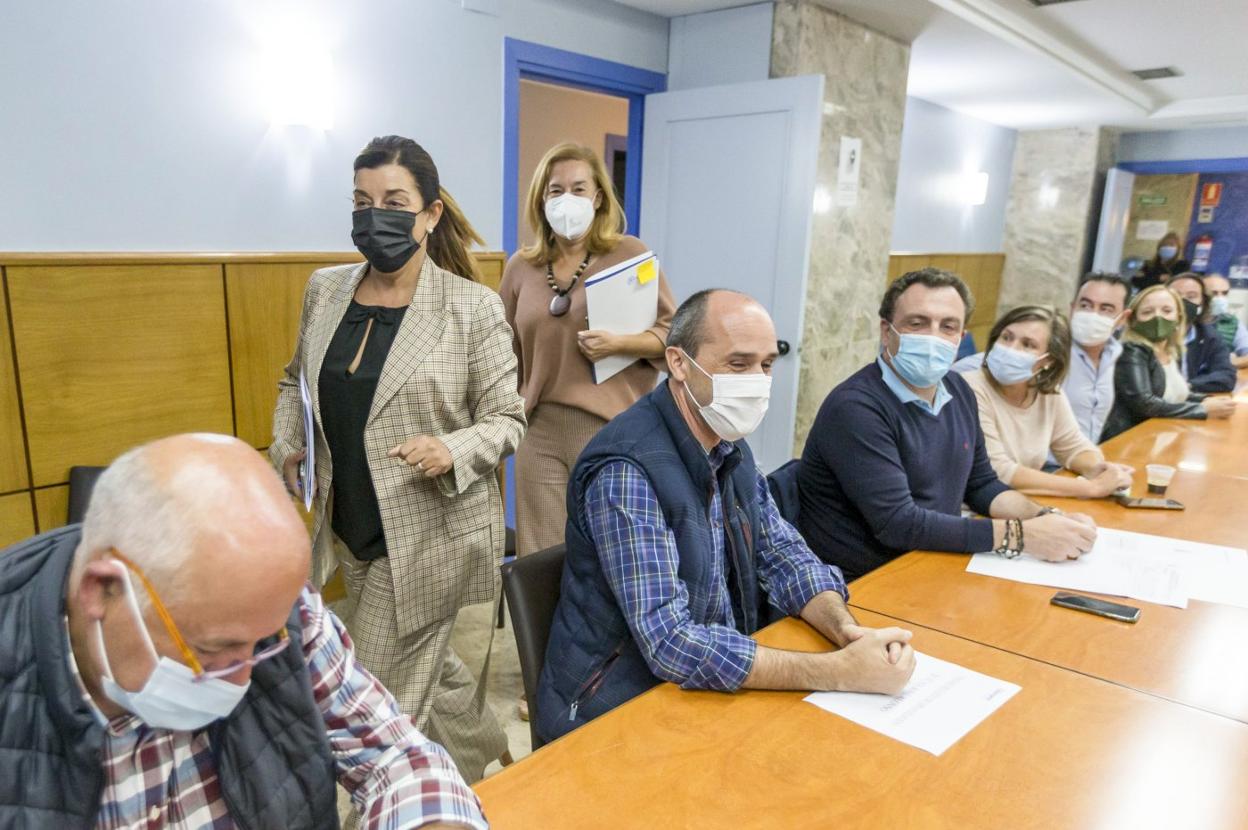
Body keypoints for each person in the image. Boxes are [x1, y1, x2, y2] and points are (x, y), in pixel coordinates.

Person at [0, 434, 484, 830]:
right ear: (101, 590)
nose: (242, 680)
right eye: (214, 648)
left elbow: (394, 756)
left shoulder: (272, 612)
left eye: (264, 645)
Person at [536, 290, 917, 743]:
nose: (756, 380)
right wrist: (835, 672)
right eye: (738, 365)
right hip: (616, 707)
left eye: (766, 365)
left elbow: (784, 555)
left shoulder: (725, 442)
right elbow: (670, 642)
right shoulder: (627, 470)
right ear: (678, 364)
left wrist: (848, 634)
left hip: (701, 686)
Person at [271, 135, 526, 781]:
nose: (373, 216)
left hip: (427, 538)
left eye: (393, 201)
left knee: (375, 707)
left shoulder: (471, 307)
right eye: (361, 201)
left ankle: (380, 810)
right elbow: (291, 382)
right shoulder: (326, 291)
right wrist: (288, 439)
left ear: (431, 213)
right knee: (429, 668)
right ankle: (488, 757)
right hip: (348, 526)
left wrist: (452, 446)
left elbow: (507, 418)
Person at [798, 268, 1099, 584]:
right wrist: (1020, 536)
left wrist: (1046, 519)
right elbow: (898, 523)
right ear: (886, 332)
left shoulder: (958, 390)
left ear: (961, 338)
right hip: (862, 584)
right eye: (917, 323)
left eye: (948, 327)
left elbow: (982, 485)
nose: (933, 337)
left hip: (931, 564)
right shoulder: (856, 407)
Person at [501, 142, 676, 561]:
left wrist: (621, 343)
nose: (567, 200)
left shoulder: (628, 254)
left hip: (611, 429)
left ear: (598, 197)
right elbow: (500, 350)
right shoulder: (520, 267)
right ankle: (540, 632)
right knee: (539, 557)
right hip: (538, 430)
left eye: (579, 189)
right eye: (555, 190)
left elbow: (673, 337)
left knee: (606, 556)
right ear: (541, 200)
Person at [963, 305, 1133, 499]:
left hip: (1017, 503)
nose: (1010, 348)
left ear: (1048, 361)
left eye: (1027, 344)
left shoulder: (1045, 392)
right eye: (1007, 337)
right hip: (973, 509)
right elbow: (998, 470)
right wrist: (1091, 488)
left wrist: (1099, 470)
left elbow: (1073, 446)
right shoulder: (968, 387)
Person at [953, 272, 1130, 444]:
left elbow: (1075, 442)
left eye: (1106, 309)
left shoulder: (1117, 357)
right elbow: (993, 361)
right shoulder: (1048, 352)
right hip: (1037, 466)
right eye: (1085, 305)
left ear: (1123, 318)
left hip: (1076, 462)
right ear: (1072, 307)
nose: (1092, 314)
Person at [1100, 284, 1237, 441]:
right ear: (1134, 319)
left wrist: (1206, 399)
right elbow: (1144, 403)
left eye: (1166, 311)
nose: (1158, 317)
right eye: (1147, 312)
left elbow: (1174, 394)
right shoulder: (1132, 349)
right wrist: (1202, 409)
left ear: (1178, 318)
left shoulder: (1171, 350)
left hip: (1159, 434)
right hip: (1129, 438)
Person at [1164, 272, 1237, 392]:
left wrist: (1187, 386)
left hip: (1191, 399)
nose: (1183, 301)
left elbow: (1226, 376)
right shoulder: (1153, 334)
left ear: (1203, 303)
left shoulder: (1209, 335)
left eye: (1191, 296)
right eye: (1175, 295)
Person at [1202, 272, 1248, 368]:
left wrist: (1224, 364)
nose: (1220, 298)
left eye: (1225, 293)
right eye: (1214, 293)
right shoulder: (1189, 322)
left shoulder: (1232, 322)